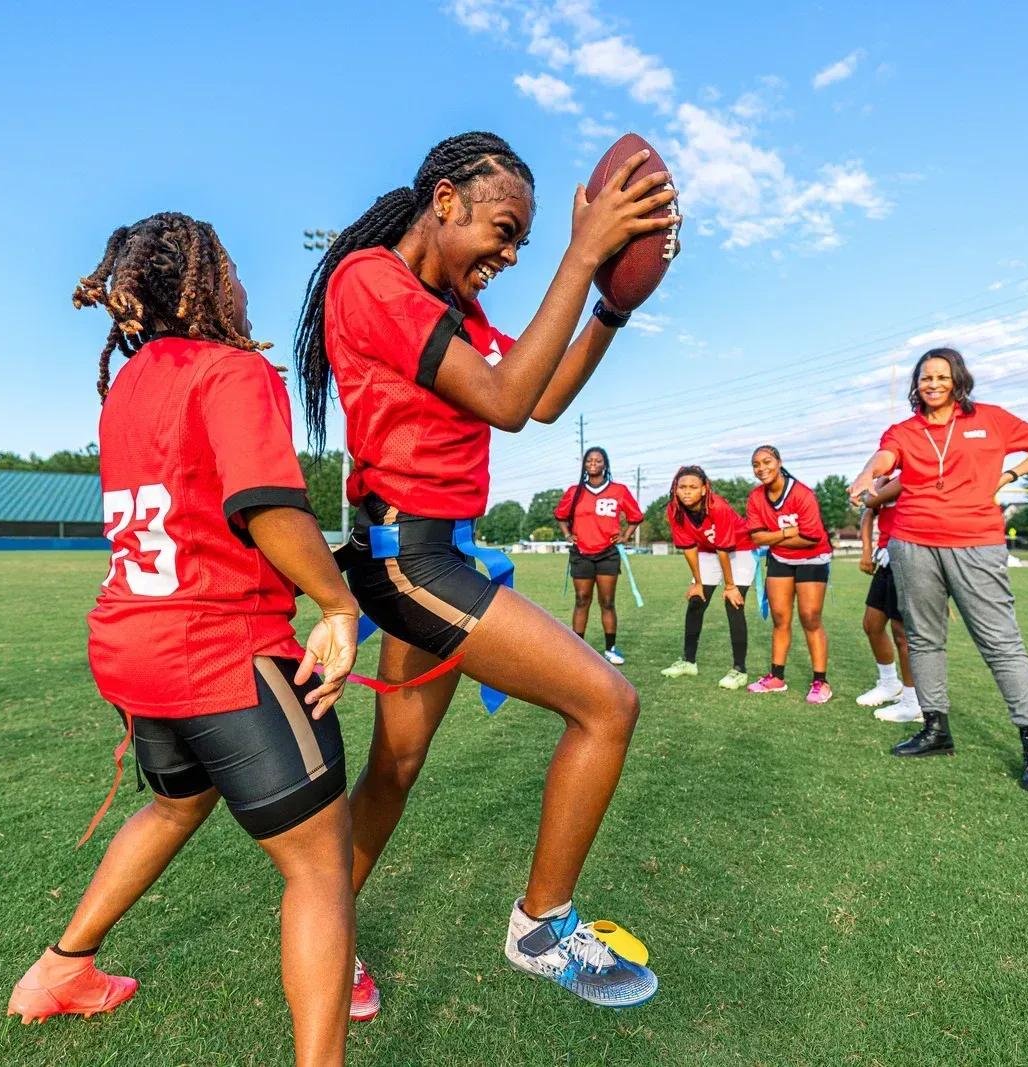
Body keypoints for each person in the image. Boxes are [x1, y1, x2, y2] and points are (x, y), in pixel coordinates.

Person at [292, 131, 677, 1009]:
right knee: (608, 704)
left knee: (397, 764)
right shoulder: (371, 281)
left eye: (523, 245)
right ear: (443, 200)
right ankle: (541, 926)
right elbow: (506, 404)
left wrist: (609, 312)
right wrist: (583, 256)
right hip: (412, 559)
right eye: (502, 231)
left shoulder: (450, 309)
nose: (507, 255)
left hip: (445, 554)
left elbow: (537, 396)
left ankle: (326, 926)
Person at [9, 214, 361, 1067]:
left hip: (135, 645)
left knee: (177, 802)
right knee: (320, 868)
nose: (239, 285)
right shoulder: (231, 369)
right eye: (229, 270)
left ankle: (61, 969)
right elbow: (267, 504)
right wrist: (336, 602)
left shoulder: (127, 385)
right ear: (205, 282)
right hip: (220, 646)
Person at [848, 347, 1028, 792]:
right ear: (917, 384)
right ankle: (936, 729)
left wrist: (1008, 476)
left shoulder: (991, 418)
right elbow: (885, 458)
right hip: (912, 543)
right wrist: (865, 476)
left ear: (957, 380)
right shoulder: (904, 430)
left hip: (976, 542)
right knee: (924, 639)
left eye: (941, 377)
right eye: (925, 378)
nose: (932, 384)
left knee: (1002, 644)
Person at [744, 446, 834, 704]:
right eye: (756, 464)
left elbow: (811, 537)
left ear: (779, 462)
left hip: (812, 559)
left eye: (767, 462)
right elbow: (756, 536)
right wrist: (784, 534)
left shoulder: (802, 493)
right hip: (780, 560)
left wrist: (772, 539)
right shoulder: (755, 498)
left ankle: (820, 681)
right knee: (780, 618)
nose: (762, 468)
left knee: (810, 618)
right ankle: (776, 677)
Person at [659, 465, 754, 689]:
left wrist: (730, 586)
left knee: (734, 603)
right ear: (675, 489)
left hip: (739, 548)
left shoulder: (718, 506)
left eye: (693, 487)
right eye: (682, 487)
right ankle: (689, 662)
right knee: (696, 601)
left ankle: (739, 670)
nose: (687, 492)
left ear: (704, 489)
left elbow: (724, 547)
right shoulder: (674, 509)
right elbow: (689, 547)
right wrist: (698, 583)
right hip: (708, 550)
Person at [555, 446, 643, 665]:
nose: (593, 463)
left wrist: (625, 536)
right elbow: (560, 515)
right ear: (584, 465)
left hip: (607, 553)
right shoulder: (574, 491)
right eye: (589, 460)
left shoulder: (619, 490)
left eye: (598, 460)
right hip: (582, 553)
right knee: (582, 600)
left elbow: (636, 516)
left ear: (606, 464)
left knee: (607, 601)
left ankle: (611, 648)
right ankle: (578, 648)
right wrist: (568, 534)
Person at [855, 477, 920, 722]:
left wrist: (872, 486)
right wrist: (865, 551)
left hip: (909, 555)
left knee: (902, 632)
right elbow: (868, 513)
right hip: (885, 556)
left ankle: (914, 702)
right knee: (872, 624)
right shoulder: (885, 477)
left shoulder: (913, 471)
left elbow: (869, 499)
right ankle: (890, 683)